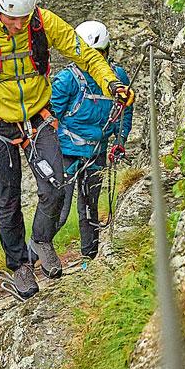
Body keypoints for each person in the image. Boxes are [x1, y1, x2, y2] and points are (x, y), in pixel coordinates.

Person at [0, 0, 135, 300]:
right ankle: (21, 266)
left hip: (38, 118)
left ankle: (42, 239)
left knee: (56, 186)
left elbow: (85, 54)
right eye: (12, 18)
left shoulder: (43, 22)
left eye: (25, 16)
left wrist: (111, 83)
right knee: (8, 199)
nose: (20, 24)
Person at [50, 21, 134, 266]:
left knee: (89, 207)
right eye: (89, 55)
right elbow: (50, 117)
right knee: (58, 209)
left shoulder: (118, 78)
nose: (94, 60)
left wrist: (120, 139)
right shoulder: (67, 80)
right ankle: (34, 258)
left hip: (96, 151)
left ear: (107, 52)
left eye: (99, 54)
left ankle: (90, 258)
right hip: (65, 152)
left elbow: (124, 111)